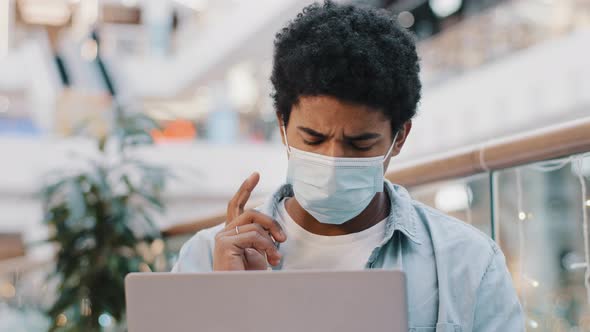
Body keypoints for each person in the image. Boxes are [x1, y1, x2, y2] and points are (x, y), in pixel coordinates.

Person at [172, 1, 524, 330]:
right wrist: (227, 303)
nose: (332, 160)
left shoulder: (467, 262)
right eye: (312, 138)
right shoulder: (207, 258)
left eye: (360, 143)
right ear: (282, 125)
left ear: (399, 138)